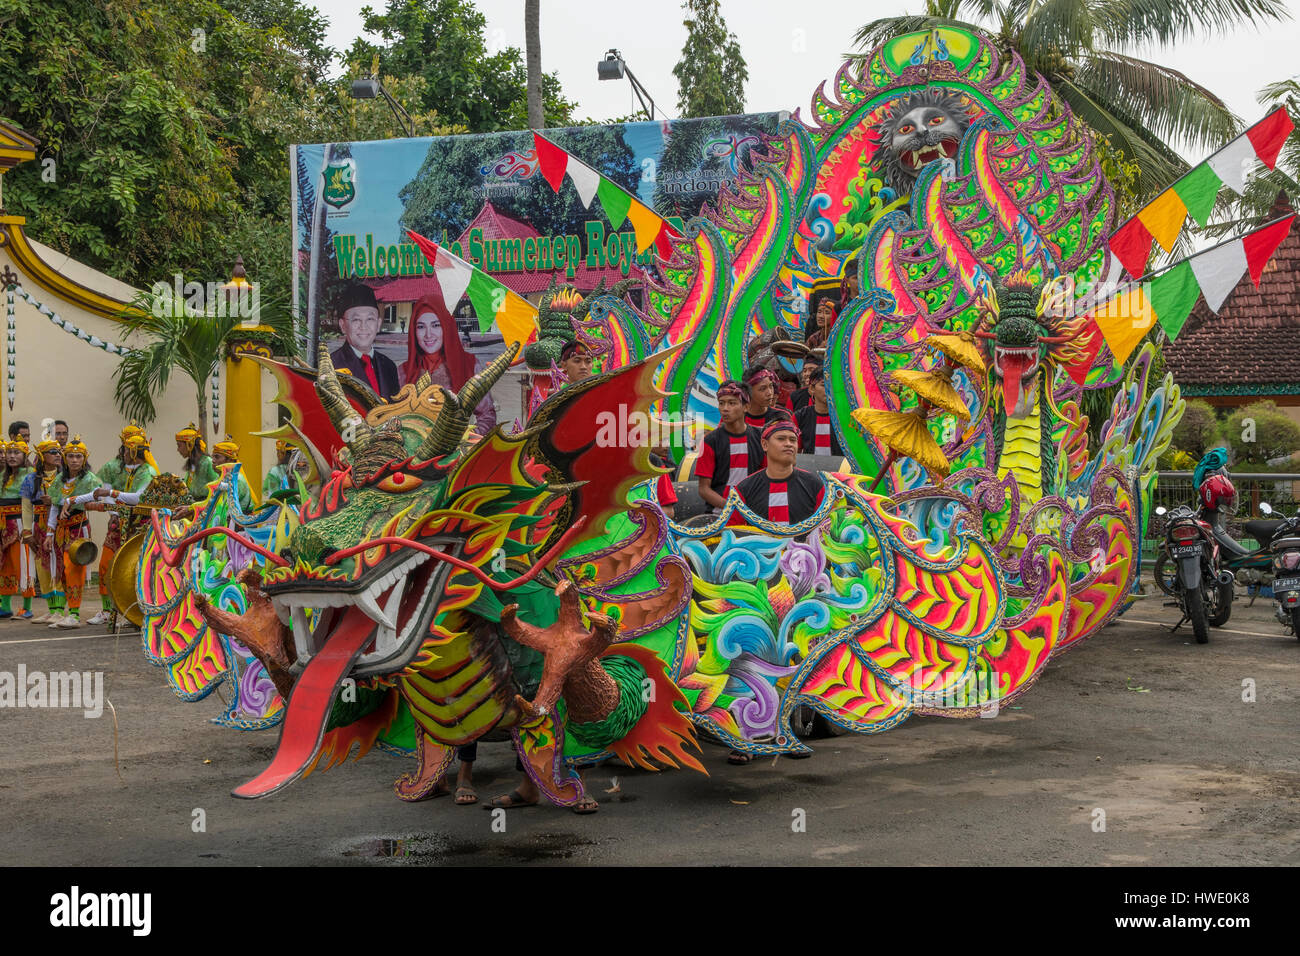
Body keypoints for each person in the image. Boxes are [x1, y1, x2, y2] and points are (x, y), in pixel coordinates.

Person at [400, 294, 498, 434]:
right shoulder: (403, 372)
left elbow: (487, 415)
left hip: (457, 451)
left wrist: (467, 442)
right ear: (413, 331)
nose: (428, 335)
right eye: (421, 327)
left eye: (436, 325)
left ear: (447, 326)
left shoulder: (469, 365)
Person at [88, 432, 157, 625]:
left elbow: (138, 498)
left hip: (138, 526)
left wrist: (111, 493)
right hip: (119, 522)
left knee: (133, 569)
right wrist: (115, 513)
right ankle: (106, 610)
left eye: (127, 449)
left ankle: (130, 611)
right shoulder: (115, 467)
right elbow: (104, 490)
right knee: (106, 564)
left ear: (135, 451)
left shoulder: (148, 472)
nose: (124, 452)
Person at [731, 420, 826, 527]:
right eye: (781, 439)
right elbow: (732, 532)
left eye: (793, 440)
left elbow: (826, 529)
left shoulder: (814, 485)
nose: (788, 444)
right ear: (765, 444)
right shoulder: (744, 489)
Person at [49, 436, 100, 628]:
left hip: (78, 528)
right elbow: (54, 506)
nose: (74, 460)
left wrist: (72, 500)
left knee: (74, 569)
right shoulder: (59, 480)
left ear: (84, 458)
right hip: (61, 530)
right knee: (62, 570)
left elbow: (95, 496)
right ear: (65, 458)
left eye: (78, 456)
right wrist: (49, 533)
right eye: (70, 456)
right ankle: (66, 612)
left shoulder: (89, 479)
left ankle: (75, 614)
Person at [696, 381, 764, 513]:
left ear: (746, 407)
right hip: (718, 514)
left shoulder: (761, 437)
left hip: (754, 513)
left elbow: (766, 477)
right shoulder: (709, 441)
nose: (725, 408)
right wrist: (733, 508)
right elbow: (704, 489)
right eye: (721, 403)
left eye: (732, 403)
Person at [330, 283, 400, 400]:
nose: (364, 326)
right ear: (343, 325)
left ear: (378, 324)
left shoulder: (389, 366)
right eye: (356, 319)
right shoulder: (331, 366)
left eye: (370, 319)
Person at [22, 440, 65, 624]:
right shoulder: (31, 479)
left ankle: (60, 609)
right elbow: (26, 507)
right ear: (41, 456)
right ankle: (51, 609)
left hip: (60, 526)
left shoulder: (65, 477)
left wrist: (54, 501)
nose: (57, 454)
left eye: (58, 452)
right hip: (39, 526)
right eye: (52, 451)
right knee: (43, 567)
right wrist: (26, 532)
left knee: (59, 565)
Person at [0, 439, 35, 620]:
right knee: (5, 566)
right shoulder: (3, 475)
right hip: (3, 524)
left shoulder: (30, 474)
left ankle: (27, 607)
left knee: (24, 564)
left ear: (25, 456)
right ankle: (5, 606)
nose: (12, 456)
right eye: (9, 453)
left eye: (16, 453)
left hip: (20, 523)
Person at [795, 367, 843, 457]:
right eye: (824, 385)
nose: (830, 389)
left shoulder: (845, 417)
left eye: (833, 384)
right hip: (809, 469)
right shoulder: (800, 416)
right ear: (812, 388)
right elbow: (795, 451)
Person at [210, 436, 257, 512]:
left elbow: (225, 509)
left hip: (239, 522)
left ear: (230, 460)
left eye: (217, 457)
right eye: (213, 457)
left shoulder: (237, 480)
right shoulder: (218, 479)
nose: (213, 460)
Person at [175, 423, 219, 502]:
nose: (178, 450)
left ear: (189, 444)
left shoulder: (207, 462)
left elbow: (217, 489)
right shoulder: (192, 464)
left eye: (179, 445)